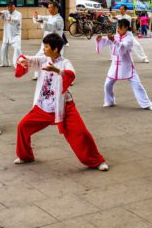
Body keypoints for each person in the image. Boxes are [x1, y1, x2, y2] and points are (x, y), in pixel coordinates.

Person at [14, 33, 109, 170]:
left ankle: (96, 161)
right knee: (22, 126)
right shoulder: (43, 60)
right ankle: (25, 156)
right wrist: (22, 60)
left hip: (64, 107)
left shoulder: (65, 63)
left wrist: (57, 70)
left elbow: (71, 75)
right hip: (43, 107)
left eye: (46, 47)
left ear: (55, 49)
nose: (44, 49)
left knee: (80, 132)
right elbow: (27, 59)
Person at [96, 19, 152, 110]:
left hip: (126, 65)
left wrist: (114, 41)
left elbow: (123, 48)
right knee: (107, 84)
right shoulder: (117, 35)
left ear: (125, 28)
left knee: (137, 85)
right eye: (118, 27)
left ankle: (147, 104)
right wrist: (100, 39)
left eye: (120, 28)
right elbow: (107, 41)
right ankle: (109, 101)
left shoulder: (129, 38)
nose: (118, 30)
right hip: (115, 66)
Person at [32, 1, 65, 79]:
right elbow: (42, 17)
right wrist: (37, 17)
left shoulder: (59, 19)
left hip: (55, 44)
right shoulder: (50, 17)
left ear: (56, 8)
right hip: (46, 44)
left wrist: (42, 22)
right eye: (48, 8)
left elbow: (51, 26)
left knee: (59, 61)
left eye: (51, 8)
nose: (49, 9)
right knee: (39, 58)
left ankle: (65, 76)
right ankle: (38, 75)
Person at [0, 2, 22, 67]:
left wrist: (11, 19)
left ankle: (18, 63)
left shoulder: (18, 14)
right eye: (8, 7)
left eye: (11, 7)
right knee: (3, 49)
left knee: (17, 48)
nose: (9, 8)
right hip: (6, 34)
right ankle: (5, 63)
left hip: (15, 34)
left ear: (14, 7)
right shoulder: (5, 12)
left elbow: (16, 21)